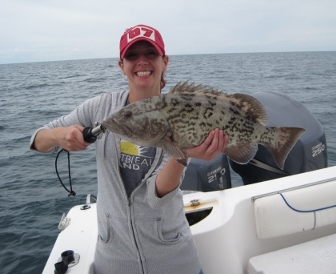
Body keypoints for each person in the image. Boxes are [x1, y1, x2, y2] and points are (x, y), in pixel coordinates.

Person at [30, 24, 228, 274]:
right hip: (113, 263)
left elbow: (156, 199)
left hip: (176, 263)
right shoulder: (100, 108)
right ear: (121, 65)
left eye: (150, 54)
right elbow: (37, 140)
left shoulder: (178, 113)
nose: (141, 62)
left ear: (164, 61)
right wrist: (59, 135)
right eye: (132, 56)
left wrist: (183, 155)